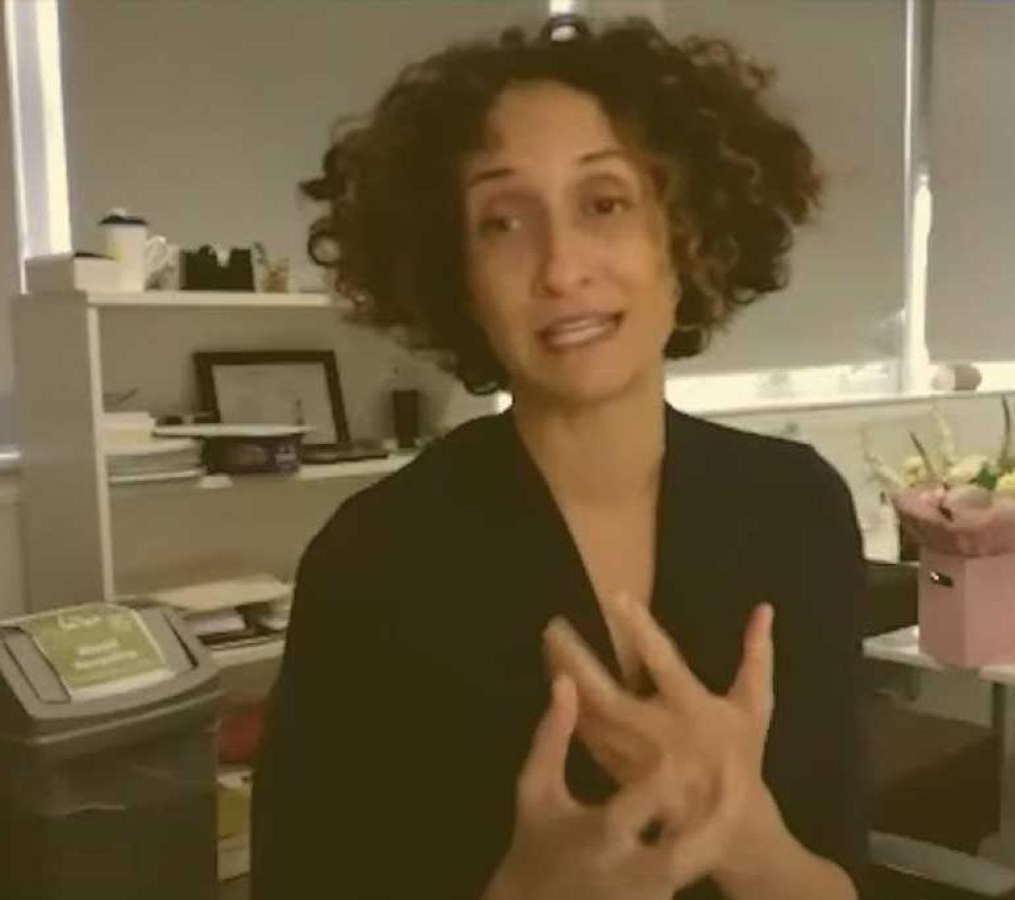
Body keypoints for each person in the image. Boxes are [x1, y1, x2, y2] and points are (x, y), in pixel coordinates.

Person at [252, 14, 865, 900]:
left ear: (685, 236)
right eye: (503, 222)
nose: (560, 268)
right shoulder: (372, 560)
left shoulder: (796, 508)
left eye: (604, 204)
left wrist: (742, 833)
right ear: (455, 272)